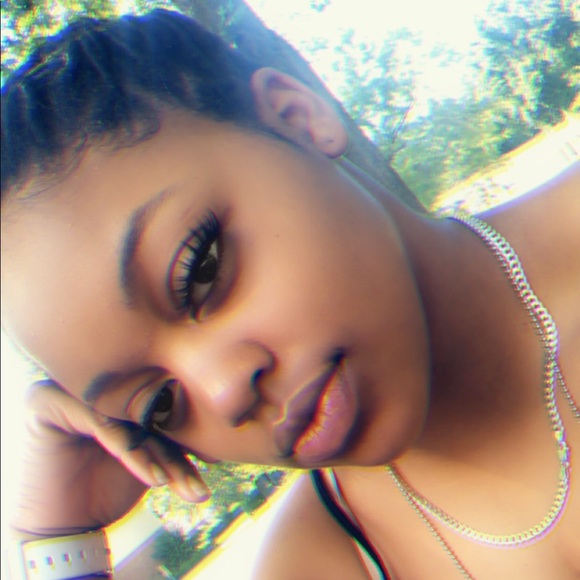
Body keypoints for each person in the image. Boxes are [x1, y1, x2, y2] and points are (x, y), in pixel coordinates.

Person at [1, 8, 578, 580]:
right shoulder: (323, 560)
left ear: (296, 117)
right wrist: (57, 542)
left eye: (200, 270)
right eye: (161, 406)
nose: (225, 393)